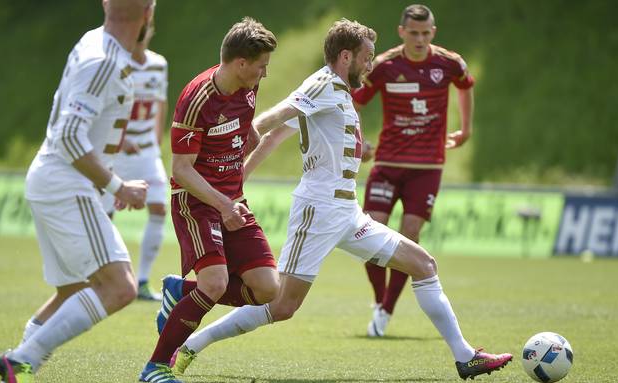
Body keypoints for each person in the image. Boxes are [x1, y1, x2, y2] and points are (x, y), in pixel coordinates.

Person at [166, 19, 512, 381]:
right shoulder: (322, 84)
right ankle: (189, 345)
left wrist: (356, 151)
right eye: (367, 57)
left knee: (424, 264)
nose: (371, 65)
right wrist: (241, 156)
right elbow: (275, 121)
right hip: (318, 210)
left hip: (347, 212)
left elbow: (294, 135)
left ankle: (465, 357)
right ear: (346, 56)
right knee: (281, 305)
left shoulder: (339, 91)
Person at [0, 0, 154, 382]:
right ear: (148, 12)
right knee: (119, 288)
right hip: (67, 184)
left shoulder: (92, 42)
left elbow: (82, 124)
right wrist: (117, 185)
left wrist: (111, 162)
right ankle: (21, 361)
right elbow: (68, 134)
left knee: (74, 289)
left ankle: (20, 367)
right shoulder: (105, 60)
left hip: (55, 179)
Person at [138, 17, 279, 383]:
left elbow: (244, 128)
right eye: (262, 66)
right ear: (241, 63)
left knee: (267, 288)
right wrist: (222, 203)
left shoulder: (247, 89)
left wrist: (250, 137)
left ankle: (180, 291)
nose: (265, 74)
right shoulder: (196, 97)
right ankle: (155, 368)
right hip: (196, 201)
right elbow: (182, 170)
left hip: (231, 199)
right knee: (214, 283)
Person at [351, 4, 476, 337]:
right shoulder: (384, 65)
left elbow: (466, 86)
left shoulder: (448, 63)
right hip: (388, 164)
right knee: (370, 234)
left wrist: (465, 130)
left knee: (410, 236)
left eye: (426, 33)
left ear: (432, 32)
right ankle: (380, 301)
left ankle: (387, 309)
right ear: (402, 32)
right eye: (414, 33)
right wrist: (360, 140)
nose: (420, 39)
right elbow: (355, 101)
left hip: (427, 166)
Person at [101, 22, 169, 301]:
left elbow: (160, 103)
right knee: (106, 215)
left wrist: (155, 141)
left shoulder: (158, 64)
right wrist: (118, 139)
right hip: (116, 151)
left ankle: (141, 281)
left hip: (146, 152)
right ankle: (102, 277)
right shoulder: (116, 64)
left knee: (159, 208)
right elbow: (106, 108)